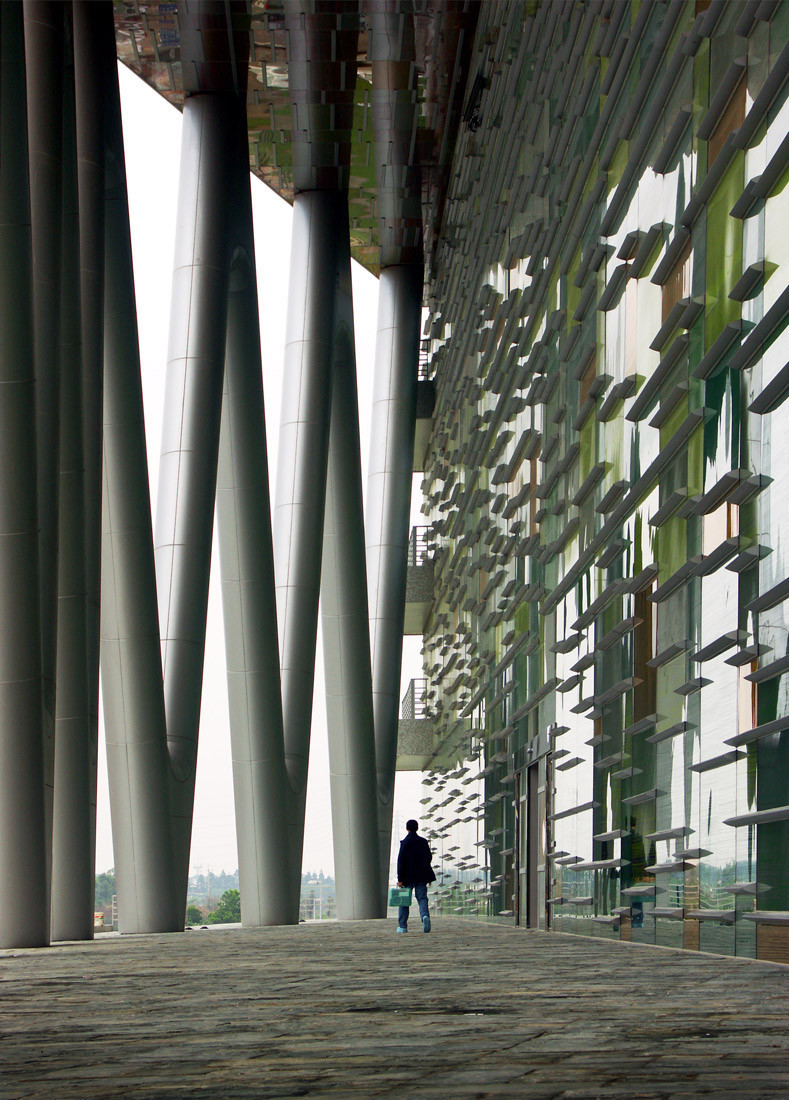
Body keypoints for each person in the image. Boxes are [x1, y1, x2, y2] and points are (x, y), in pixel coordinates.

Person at [396, 819, 435, 933]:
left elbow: (401, 861)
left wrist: (400, 879)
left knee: (404, 901)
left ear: (407, 828)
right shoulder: (423, 842)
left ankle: (402, 926)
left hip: (407, 877)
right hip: (421, 876)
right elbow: (428, 857)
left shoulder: (405, 842)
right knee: (422, 898)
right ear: (417, 828)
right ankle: (424, 917)